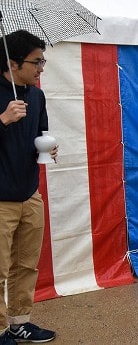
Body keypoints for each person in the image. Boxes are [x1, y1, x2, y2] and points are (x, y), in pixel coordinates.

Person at [0, 30, 57, 344]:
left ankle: (20, 321)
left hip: (29, 193)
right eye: (36, 62)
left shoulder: (36, 95)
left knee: (26, 265)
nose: (41, 68)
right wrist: (3, 119)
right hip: (0, 199)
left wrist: (46, 148)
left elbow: (39, 133)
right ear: (12, 62)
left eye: (43, 61)